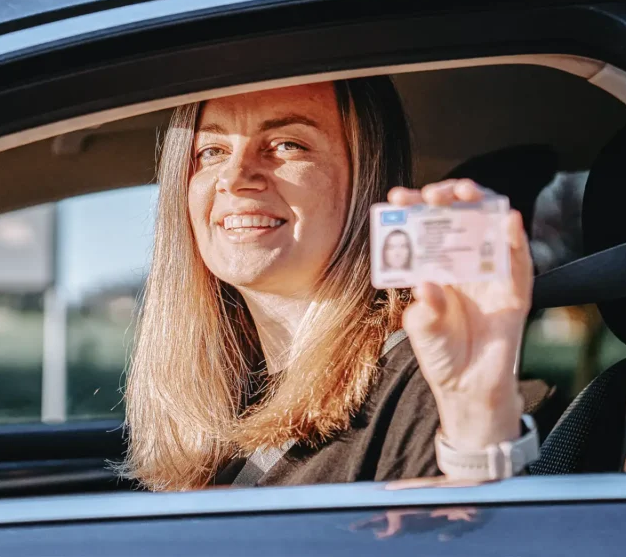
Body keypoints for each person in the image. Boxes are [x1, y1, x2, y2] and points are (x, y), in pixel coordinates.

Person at [121, 77, 534, 491]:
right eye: (211, 151)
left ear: (365, 179)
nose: (235, 176)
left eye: (288, 144)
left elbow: (468, 535)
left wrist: (477, 420)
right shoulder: (231, 393)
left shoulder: (422, 379)